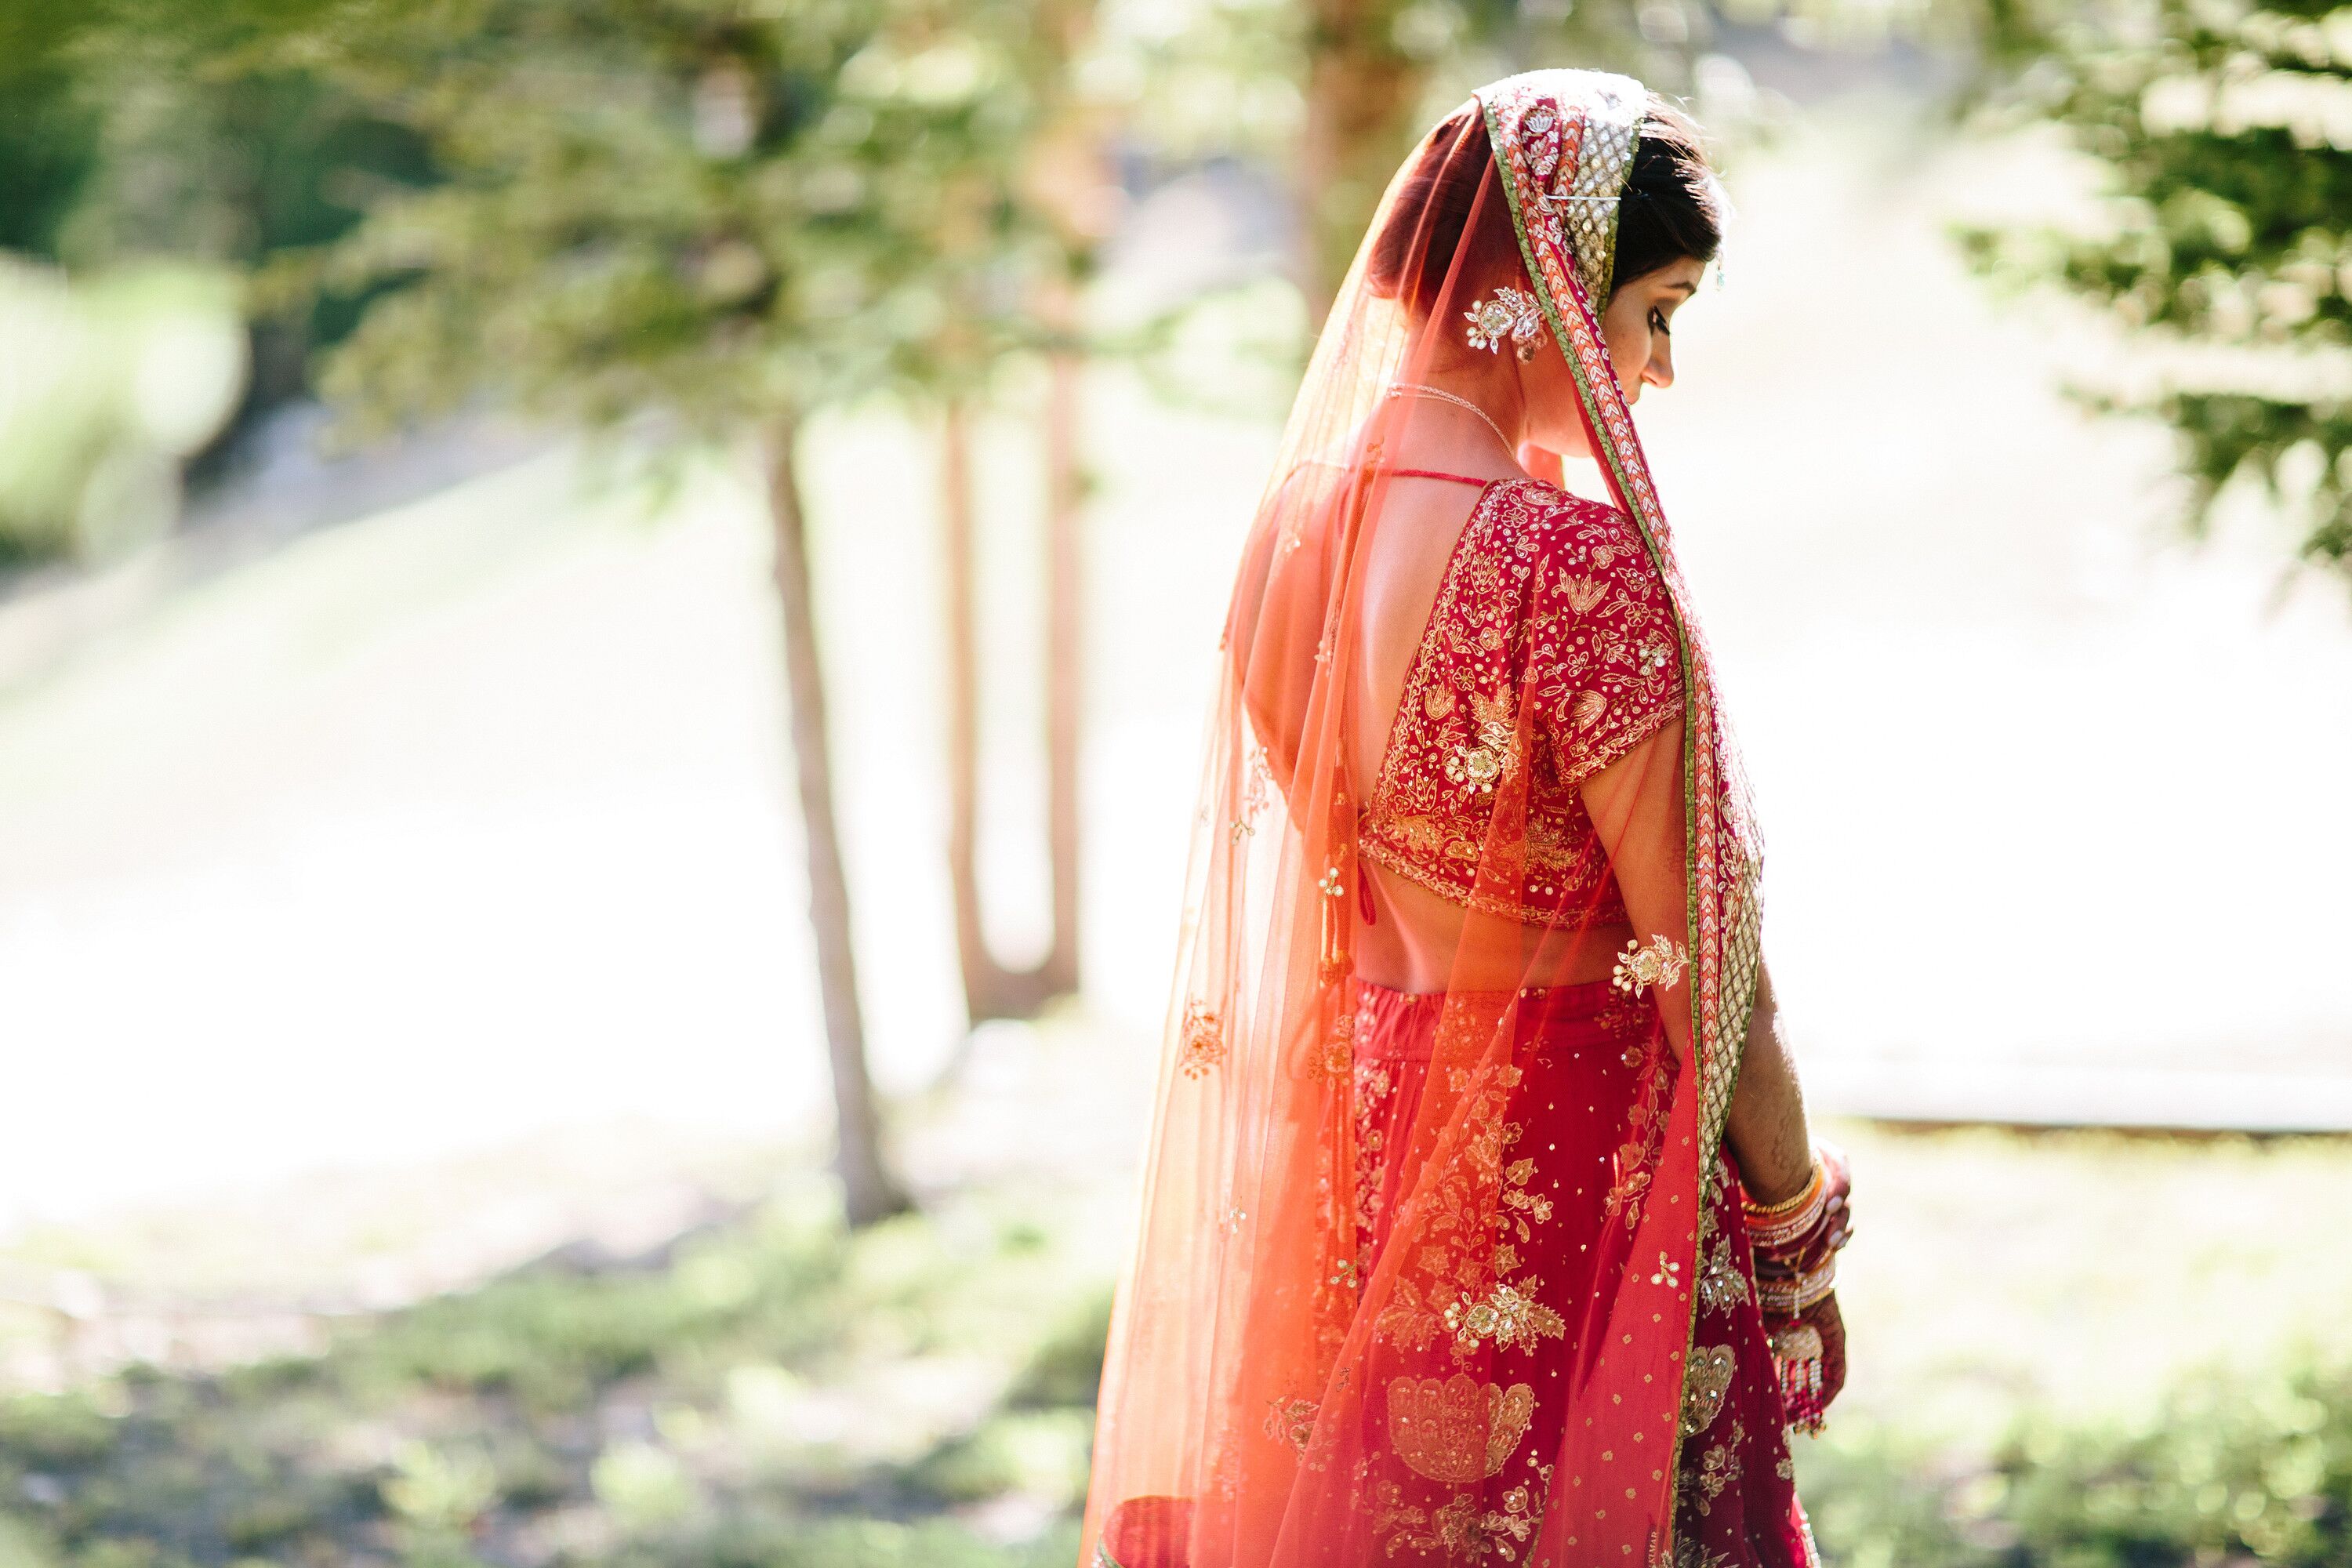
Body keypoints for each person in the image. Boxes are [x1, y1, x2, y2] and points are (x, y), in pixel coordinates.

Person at [1080, 71, 1853, 1568]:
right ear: (1537, 284)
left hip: (1370, 1173)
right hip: (1575, 1197)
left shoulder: (1291, 538)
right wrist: (1796, 1232)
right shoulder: (1569, 569)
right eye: (1660, 312)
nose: (1659, 372)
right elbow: (1706, 961)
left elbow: (1335, 881)